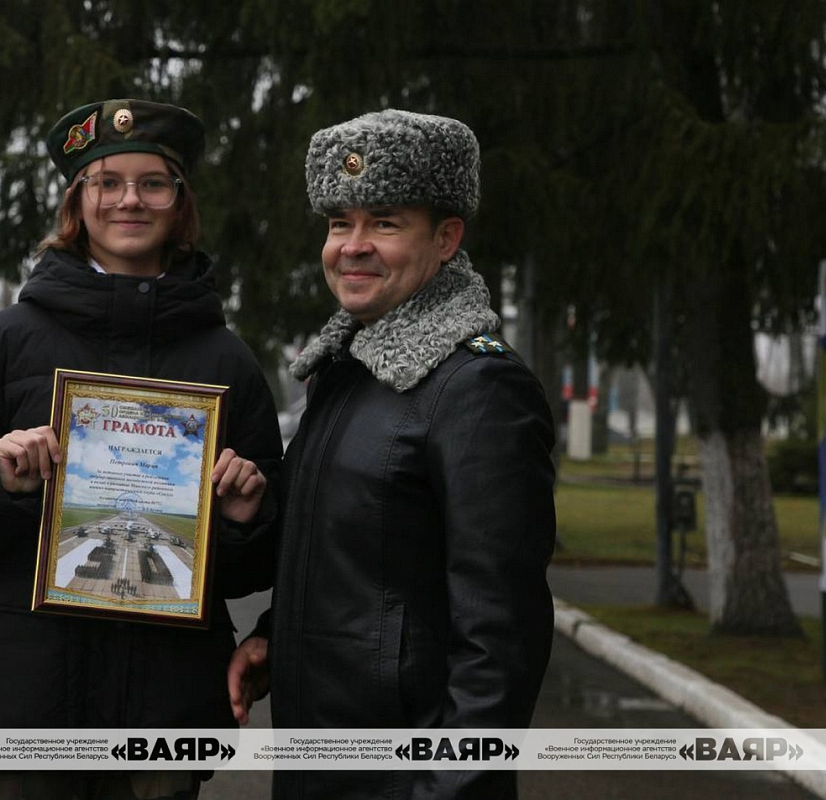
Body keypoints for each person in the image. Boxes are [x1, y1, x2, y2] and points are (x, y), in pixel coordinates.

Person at [0, 99, 282, 800]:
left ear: (180, 202)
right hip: (16, 713)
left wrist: (247, 516)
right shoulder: (8, 342)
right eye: (107, 182)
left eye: (153, 183)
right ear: (78, 201)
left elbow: (259, 567)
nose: (130, 200)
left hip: (159, 722)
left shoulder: (227, 362)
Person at [227, 109, 556, 799]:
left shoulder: (478, 388)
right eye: (338, 223)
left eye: (384, 223)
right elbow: (362, 567)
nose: (352, 247)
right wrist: (277, 638)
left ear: (446, 238)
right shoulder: (346, 372)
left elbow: (501, 637)